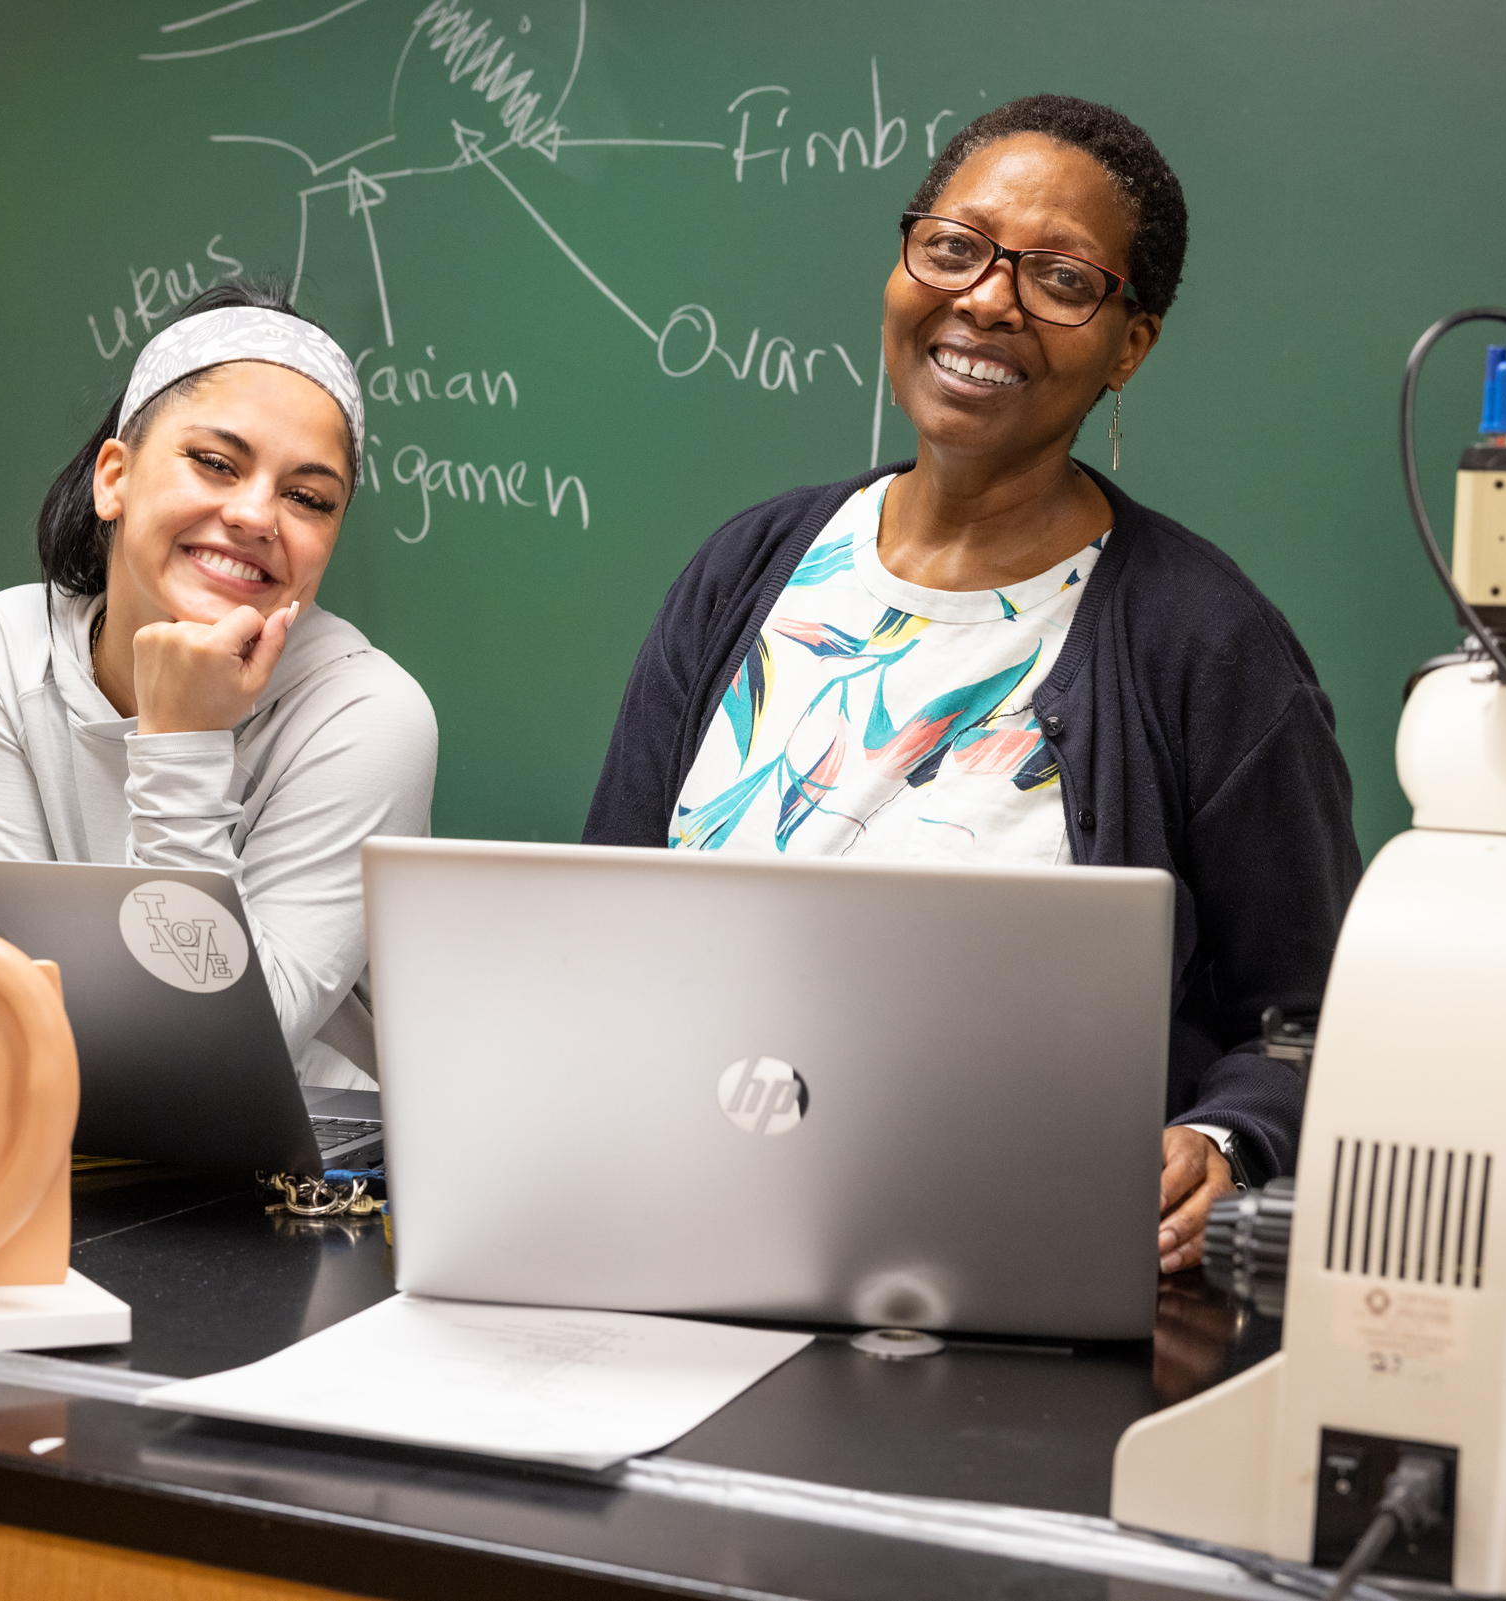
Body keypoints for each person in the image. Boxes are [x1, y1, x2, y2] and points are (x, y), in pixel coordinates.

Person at [583, 96, 1360, 1273]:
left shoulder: (1209, 645)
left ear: (1130, 343)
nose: (987, 299)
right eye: (953, 248)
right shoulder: (748, 571)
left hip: (1013, 1265)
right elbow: (598, 915)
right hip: (683, 1215)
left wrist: (1227, 1136)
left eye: (1058, 277)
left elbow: (1314, 1019)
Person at [0, 279, 436, 1091]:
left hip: (306, 1190)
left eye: (308, 497)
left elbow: (212, 1054)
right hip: (64, 1158)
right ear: (114, 478)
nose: (257, 515)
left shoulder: (371, 715)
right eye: (214, 462)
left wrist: (182, 741)